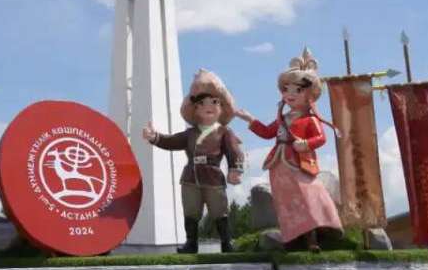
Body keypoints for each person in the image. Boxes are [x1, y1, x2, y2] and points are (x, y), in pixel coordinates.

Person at [234, 47, 342, 253]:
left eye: (297, 90)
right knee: (286, 202)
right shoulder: (282, 119)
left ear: (309, 94)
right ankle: (292, 237)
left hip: (300, 164)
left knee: (308, 196)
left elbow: (321, 137)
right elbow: (267, 132)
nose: (290, 94)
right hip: (280, 165)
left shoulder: (310, 119)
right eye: (286, 89)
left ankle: (312, 238)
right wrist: (250, 120)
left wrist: (306, 144)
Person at [143, 69, 245, 253]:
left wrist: (235, 169)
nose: (209, 106)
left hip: (213, 177)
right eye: (202, 103)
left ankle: (226, 243)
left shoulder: (224, 132)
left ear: (221, 107)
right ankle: (191, 244)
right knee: (191, 211)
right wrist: (154, 137)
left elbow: (234, 151)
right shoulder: (190, 134)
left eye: (214, 102)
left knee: (219, 210)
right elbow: (171, 141)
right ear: (196, 109)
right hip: (191, 178)